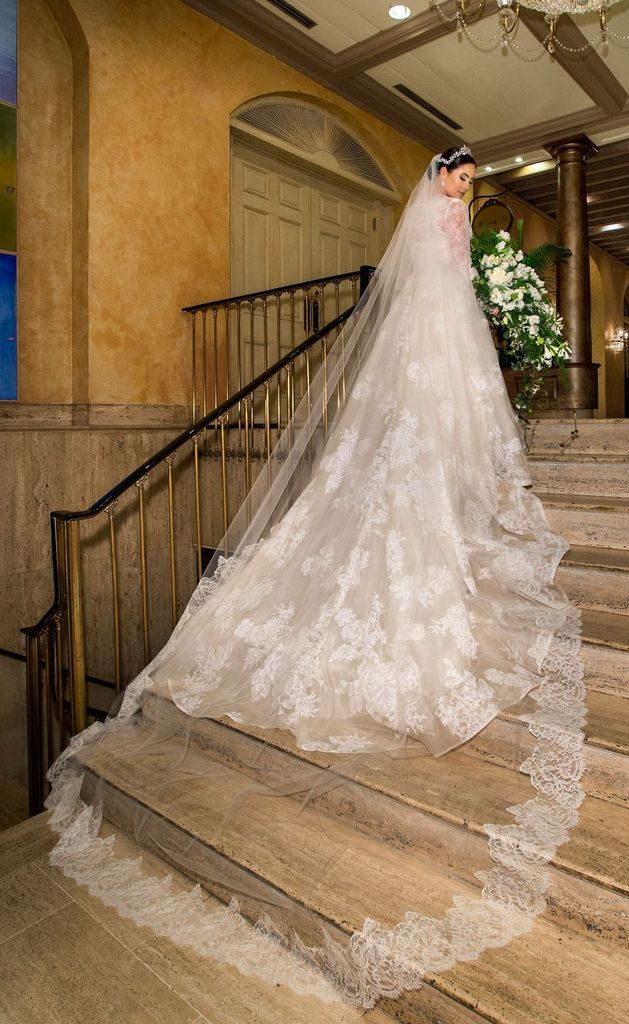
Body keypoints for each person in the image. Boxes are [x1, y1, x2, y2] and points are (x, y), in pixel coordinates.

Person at [45, 147, 587, 1009]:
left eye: (472, 177)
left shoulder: (450, 228)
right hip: (435, 340)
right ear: (442, 177)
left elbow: (448, 281)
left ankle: (449, 502)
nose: (468, 186)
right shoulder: (439, 225)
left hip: (441, 338)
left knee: (431, 446)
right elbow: (440, 281)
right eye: (462, 175)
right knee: (415, 449)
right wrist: (477, 301)